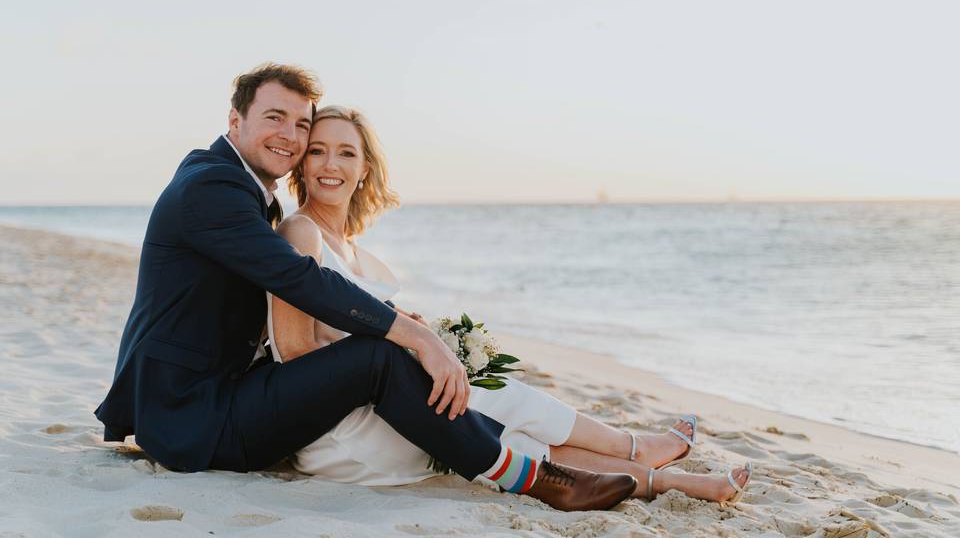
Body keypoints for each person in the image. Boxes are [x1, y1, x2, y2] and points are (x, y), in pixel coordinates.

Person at [93, 63, 638, 512]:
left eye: (300, 123)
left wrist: (406, 332)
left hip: (214, 398)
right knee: (378, 357)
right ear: (235, 120)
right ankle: (536, 480)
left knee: (389, 357)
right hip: (195, 419)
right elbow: (297, 278)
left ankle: (576, 459)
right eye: (274, 117)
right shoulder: (213, 186)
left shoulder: (243, 188)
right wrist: (414, 337)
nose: (290, 135)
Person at [269, 104, 753, 504]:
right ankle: (637, 448)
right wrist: (408, 350)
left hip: (391, 411)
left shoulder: (353, 248)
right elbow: (295, 353)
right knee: (491, 401)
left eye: (345, 152)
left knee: (502, 424)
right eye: (318, 152)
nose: (330, 165)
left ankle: (662, 479)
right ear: (302, 165)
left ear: (364, 168)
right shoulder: (300, 232)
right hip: (346, 434)